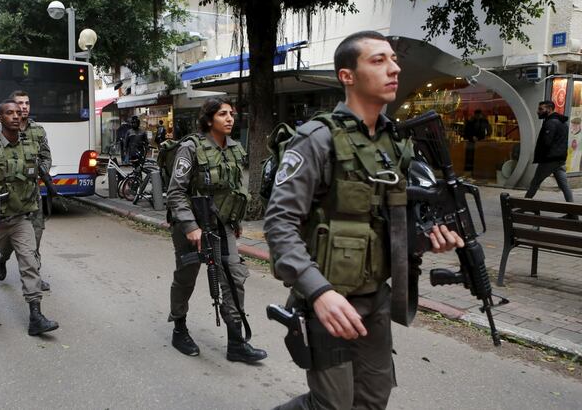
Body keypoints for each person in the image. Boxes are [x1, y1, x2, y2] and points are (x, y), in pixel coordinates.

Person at [264, 31, 463, 409]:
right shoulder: (316, 140)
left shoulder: (395, 145)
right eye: (378, 60)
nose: (394, 68)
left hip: (377, 299)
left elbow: (393, 222)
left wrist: (431, 236)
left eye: (393, 59)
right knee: (332, 405)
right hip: (328, 297)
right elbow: (279, 224)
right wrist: (318, 293)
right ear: (347, 76)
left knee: (373, 400)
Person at [166, 97, 267, 363]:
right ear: (209, 119)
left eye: (231, 114)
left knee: (234, 277)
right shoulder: (190, 147)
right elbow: (176, 193)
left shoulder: (234, 149)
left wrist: (235, 221)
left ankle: (236, 342)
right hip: (192, 223)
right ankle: (179, 327)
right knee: (187, 276)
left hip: (221, 223)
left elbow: (233, 189)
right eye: (223, 114)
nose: (230, 118)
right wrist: (190, 226)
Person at [0, 99, 59, 336]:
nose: (16, 116)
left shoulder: (30, 147)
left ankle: (35, 315)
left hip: (21, 218)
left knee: (29, 262)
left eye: (18, 112)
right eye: (10, 113)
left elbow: (35, 177)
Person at [0, 90, 52, 291]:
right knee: (8, 238)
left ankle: (34, 276)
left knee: (35, 234)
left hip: (32, 193)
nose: (24, 107)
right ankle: (1, 260)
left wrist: (40, 172)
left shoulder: (38, 130)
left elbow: (46, 156)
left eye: (27, 103)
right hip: (8, 195)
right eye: (20, 104)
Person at [525, 100, 574, 203]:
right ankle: (573, 212)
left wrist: (541, 156)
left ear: (549, 109)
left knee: (535, 183)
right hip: (559, 159)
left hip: (549, 160)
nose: (538, 111)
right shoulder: (562, 122)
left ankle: (523, 205)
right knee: (564, 186)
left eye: (541, 109)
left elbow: (546, 142)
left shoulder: (551, 122)